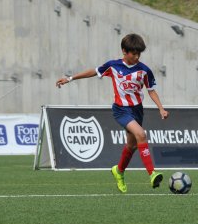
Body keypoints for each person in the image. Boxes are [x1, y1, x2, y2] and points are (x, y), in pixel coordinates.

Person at [56, 34, 169, 193]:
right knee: (141, 135)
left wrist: (161, 108)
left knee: (132, 145)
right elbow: (93, 72)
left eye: (139, 54)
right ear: (124, 51)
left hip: (137, 110)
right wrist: (70, 78)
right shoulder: (113, 66)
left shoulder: (144, 70)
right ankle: (152, 174)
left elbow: (151, 90)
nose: (137, 57)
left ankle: (119, 170)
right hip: (121, 110)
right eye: (133, 53)